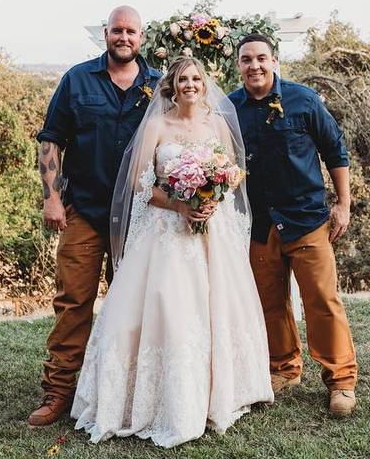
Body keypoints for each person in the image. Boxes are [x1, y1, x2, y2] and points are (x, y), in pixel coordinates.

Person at [70, 57, 273, 448]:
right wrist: (181, 205)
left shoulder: (217, 123)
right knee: (170, 306)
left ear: (205, 83)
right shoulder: (156, 126)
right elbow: (139, 184)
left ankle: (220, 392)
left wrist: (210, 200)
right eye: (184, 79)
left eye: (197, 78)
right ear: (172, 85)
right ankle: (161, 398)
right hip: (166, 234)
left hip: (213, 232)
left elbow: (231, 174)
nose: (191, 85)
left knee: (215, 306)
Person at [28, 5, 161, 427]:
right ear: (105, 33)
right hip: (83, 211)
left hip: (140, 216)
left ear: (142, 37)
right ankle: (58, 391)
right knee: (73, 302)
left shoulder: (159, 85)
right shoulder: (77, 79)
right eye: (117, 30)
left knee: (134, 308)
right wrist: (51, 198)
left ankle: (125, 390)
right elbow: (51, 140)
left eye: (131, 31)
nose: (124, 37)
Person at [228, 33, 359, 418]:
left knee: (322, 300)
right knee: (269, 303)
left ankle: (341, 381)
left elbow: (335, 150)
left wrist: (344, 204)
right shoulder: (229, 108)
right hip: (258, 224)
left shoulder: (303, 99)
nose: (254, 66)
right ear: (238, 65)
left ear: (275, 60)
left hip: (306, 220)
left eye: (261, 58)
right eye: (246, 59)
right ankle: (283, 368)